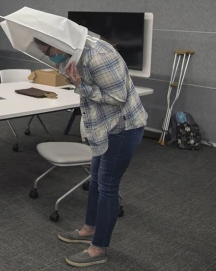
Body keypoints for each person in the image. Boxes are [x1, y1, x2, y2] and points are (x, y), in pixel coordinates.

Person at [33, 36, 147, 267]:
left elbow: (117, 98)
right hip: (104, 128)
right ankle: (89, 229)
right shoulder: (77, 54)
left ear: (56, 42)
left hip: (123, 128)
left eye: (47, 52)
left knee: (107, 186)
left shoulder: (98, 57)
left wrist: (79, 86)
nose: (48, 57)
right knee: (95, 179)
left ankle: (99, 249)